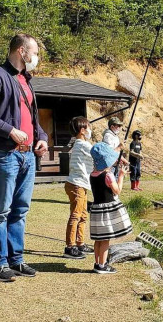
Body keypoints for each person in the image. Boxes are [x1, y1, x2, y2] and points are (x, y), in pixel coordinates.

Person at [0, 34, 48, 282]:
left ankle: (16, 260)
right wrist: (10, 130)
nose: (36, 57)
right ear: (21, 51)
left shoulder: (26, 80)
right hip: (5, 154)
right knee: (1, 211)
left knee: (20, 210)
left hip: (28, 157)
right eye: (34, 52)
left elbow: (33, 119)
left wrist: (43, 137)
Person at [89, 142, 133, 274]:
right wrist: (121, 175)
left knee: (98, 239)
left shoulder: (92, 174)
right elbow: (117, 191)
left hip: (96, 210)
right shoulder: (108, 176)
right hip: (107, 211)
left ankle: (97, 263)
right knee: (105, 240)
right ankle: (102, 266)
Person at [63, 116, 94, 260]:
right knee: (76, 215)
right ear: (82, 130)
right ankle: (70, 247)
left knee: (83, 215)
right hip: (77, 185)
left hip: (81, 184)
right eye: (89, 127)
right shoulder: (82, 144)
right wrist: (118, 148)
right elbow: (98, 152)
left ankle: (80, 243)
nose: (90, 130)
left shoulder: (80, 144)